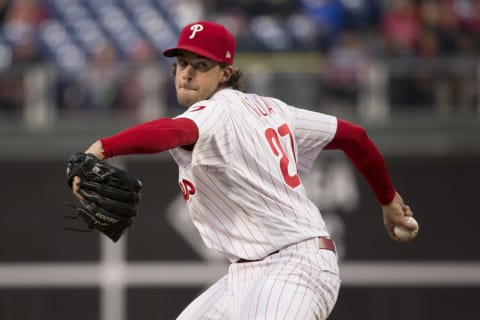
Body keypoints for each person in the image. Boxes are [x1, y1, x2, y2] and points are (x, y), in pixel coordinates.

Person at [72, 20, 417, 320]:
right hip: (249, 274)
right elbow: (354, 137)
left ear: (225, 72)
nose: (187, 72)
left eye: (200, 64)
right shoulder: (275, 109)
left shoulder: (216, 112)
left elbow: (174, 132)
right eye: (181, 63)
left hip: (293, 268)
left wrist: (103, 147)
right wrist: (388, 200)